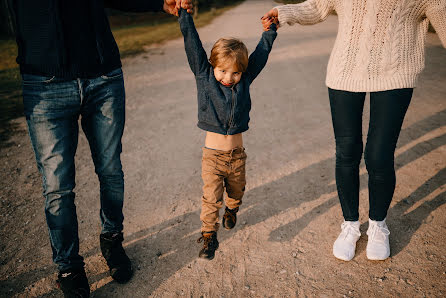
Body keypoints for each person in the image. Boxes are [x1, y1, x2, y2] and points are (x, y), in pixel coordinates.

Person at [11, 0, 193, 296]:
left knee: (111, 170)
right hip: (44, 84)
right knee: (57, 187)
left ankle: (112, 240)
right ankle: (68, 266)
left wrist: (159, 2)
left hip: (103, 77)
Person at [262, 0, 446, 261]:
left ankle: (378, 225)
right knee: (347, 152)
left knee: (379, 156)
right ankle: (350, 225)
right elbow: (318, 6)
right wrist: (284, 12)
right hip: (345, 70)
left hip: (396, 73)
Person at [178, 8, 277, 260]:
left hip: (237, 156)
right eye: (222, 70)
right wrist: (183, 15)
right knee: (211, 198)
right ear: (212, 66)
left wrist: (270, 32)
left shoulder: (243, 80)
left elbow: (260, 56)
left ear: (242, 72)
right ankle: (209, 238)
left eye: (235, 72)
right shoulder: (204, 75)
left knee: (236, 192)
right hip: (212, 157)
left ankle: (232, 209)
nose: (228, 77)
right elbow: (193, 44)